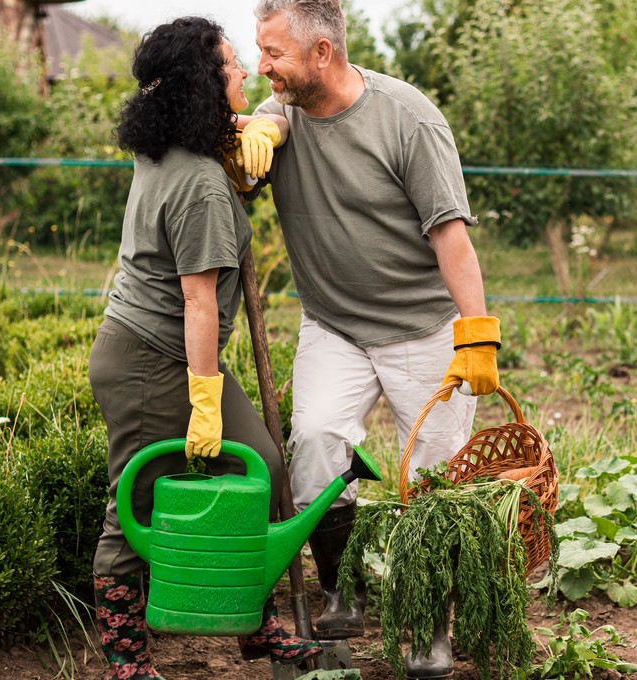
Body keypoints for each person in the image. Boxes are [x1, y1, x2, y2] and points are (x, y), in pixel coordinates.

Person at [248, 1, 502, 677]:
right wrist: (257, 132)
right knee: (316, 446)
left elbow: (451, 235)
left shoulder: (406, 117)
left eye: (274, 53)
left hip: (423, 328)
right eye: (259, 50)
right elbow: (256, 131)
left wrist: (475, 334)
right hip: (334, 324)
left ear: (322, 53)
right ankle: (342, 590)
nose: (261, 65)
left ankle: (429, 628)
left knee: (433, 483)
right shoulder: (281, 118)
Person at [87, 16, 320, 680]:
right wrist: (204, 401)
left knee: (265, 464)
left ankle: (251, 621)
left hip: (166, 349)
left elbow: (225, 139)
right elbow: (197, 303)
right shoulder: (201, 187)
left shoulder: (168, 148)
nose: (244, 71)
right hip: (150, 357)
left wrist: (251, 131)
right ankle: (127, 658)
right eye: (231, 64)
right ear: (203, 85)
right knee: (136, 497)